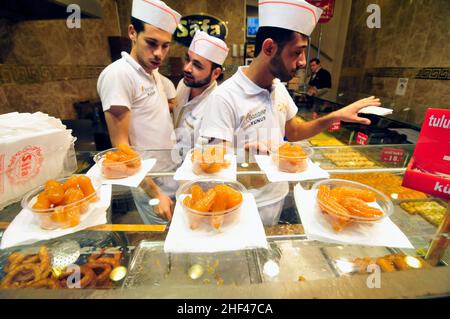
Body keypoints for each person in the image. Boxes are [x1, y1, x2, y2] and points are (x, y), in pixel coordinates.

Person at [199, 0, 380, 224]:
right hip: (243, 203)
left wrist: (335, 116)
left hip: (277, 195)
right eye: (296, 53)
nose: (303, 62)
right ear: (269, 48)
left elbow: (293, 131)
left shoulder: (278, 89)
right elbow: (216, 162)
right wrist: (242, 156)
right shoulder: (224, 97)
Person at [97, 0, 182, 222]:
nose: (159, 54)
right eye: (151, 43)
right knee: (161, 244)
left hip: (169, 172)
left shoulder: (152, 74)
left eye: (165, 46)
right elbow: (121, 148)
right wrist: (155, 193)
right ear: (132, 32)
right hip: (150, 182)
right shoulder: (119, 75)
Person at [173, 30, 229, 156]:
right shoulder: (183, 83)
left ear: (215, 73)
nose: (187, 68)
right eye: (188, 60)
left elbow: (208, 157)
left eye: (197, 65)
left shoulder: (217, 106)